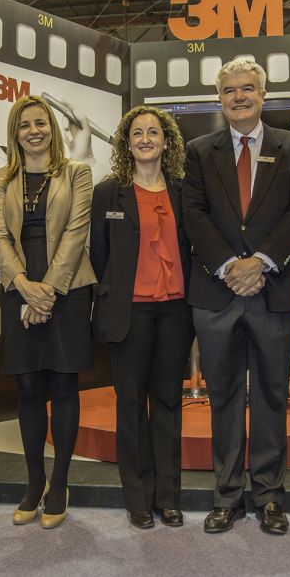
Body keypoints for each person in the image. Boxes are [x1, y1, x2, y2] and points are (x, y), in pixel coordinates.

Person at [182, 58, 290, 535]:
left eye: (248, 89)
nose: (238, 97)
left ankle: (270, 497)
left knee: (271, 398)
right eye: (229, 91)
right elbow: (193, 214)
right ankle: (226, 497)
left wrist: (260, 262)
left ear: (263, 94)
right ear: (219, 98)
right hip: (215, 294)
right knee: (222, 398)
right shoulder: (198, 151)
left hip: (272, 290)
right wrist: (229, 266)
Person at [0, 95, 96, 529]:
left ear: (52, 128)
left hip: (67, 290)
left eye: (41, 123)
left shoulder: (78, 172)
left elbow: (77, 231)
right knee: (29, 390)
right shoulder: (1, 178)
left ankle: (60, 483)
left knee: (64, 388)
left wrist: (48, 291)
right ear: (15, 133)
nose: (33, 131)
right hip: (20, 289)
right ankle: (34, 483)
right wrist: (24, 288)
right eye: (24, 125)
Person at [90, 106, 193, 530]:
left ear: (166, 141)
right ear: (126, 142)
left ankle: (168, 497)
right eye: (137, 133)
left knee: (168, 403)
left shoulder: (184, 192)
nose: (146, 139)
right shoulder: (108, 192)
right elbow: (99, 254)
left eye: (154, 132)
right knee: (130, 405)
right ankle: (137, 497)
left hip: (174, 311)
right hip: (128, 311)